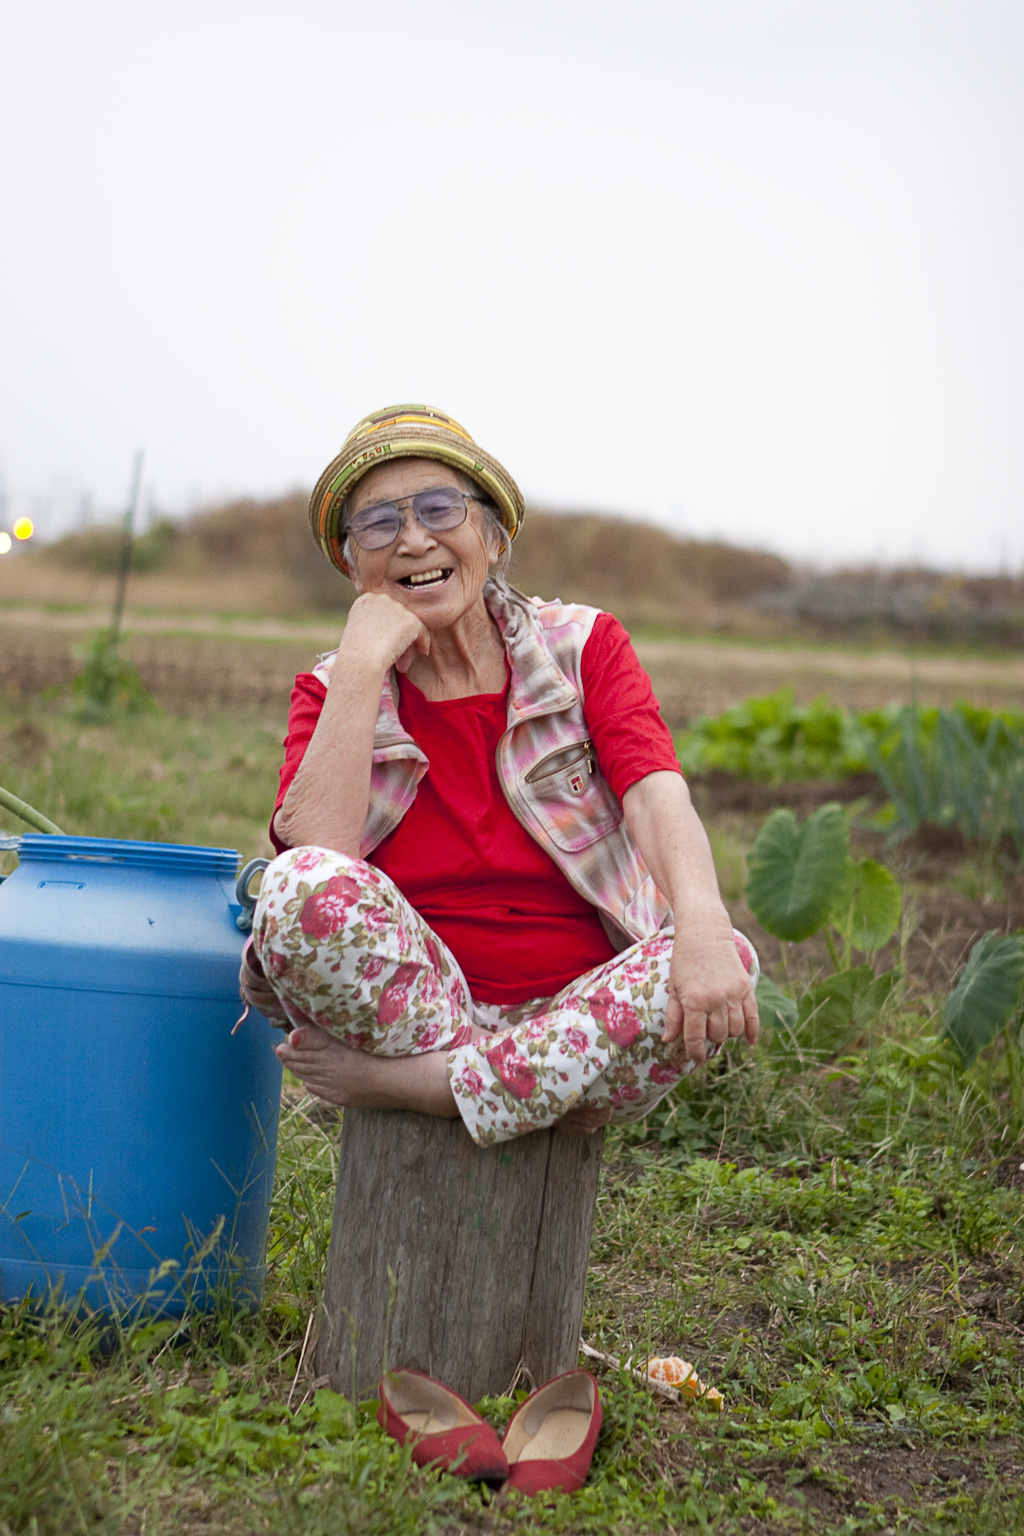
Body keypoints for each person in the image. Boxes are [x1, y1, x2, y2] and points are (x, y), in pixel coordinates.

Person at [240, 405, 759, 1146]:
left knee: (727, 950)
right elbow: (317, 859)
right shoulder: (331, 689)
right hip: (419, 1016)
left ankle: (430, 1088)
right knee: (294, 887)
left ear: (493, 533)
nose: (414, 538)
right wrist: (360, 667)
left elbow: (653, 791)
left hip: (583, 1007)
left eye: (439, 508)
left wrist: (702, 925)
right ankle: (525, 1087)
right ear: (354, 565)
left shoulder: (584, 647)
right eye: (378, 524)